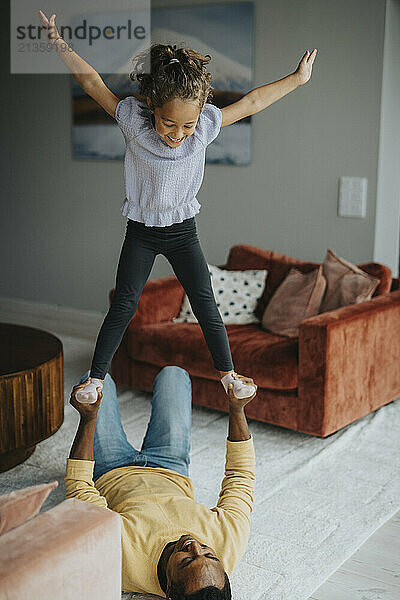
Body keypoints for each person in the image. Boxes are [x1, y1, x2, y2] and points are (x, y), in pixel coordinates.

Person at [38, 11, 317, 404]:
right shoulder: (132, 121)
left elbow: (253, 100)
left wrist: (297, 79)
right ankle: (95, 379)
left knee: (205, 300)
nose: (179, 135)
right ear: (151, 105)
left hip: (183, 231)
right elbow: (90, 81)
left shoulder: (205, 126)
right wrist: (57, 43)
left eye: (187, 126)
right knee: (125, 301)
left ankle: (228, 375)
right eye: (170, 123)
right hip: (142, 231)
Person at [65, 366, 257, 598]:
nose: (194, 545)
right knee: (174, 374)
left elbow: (79, 488)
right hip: (170, 467)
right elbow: (241, 476)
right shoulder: (229, 543)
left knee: (91, 381)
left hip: (111, 470)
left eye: (186, 561)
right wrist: (237, 409)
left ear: (168, 589)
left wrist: (88, 418)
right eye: (209, 554)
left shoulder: (119, 563)